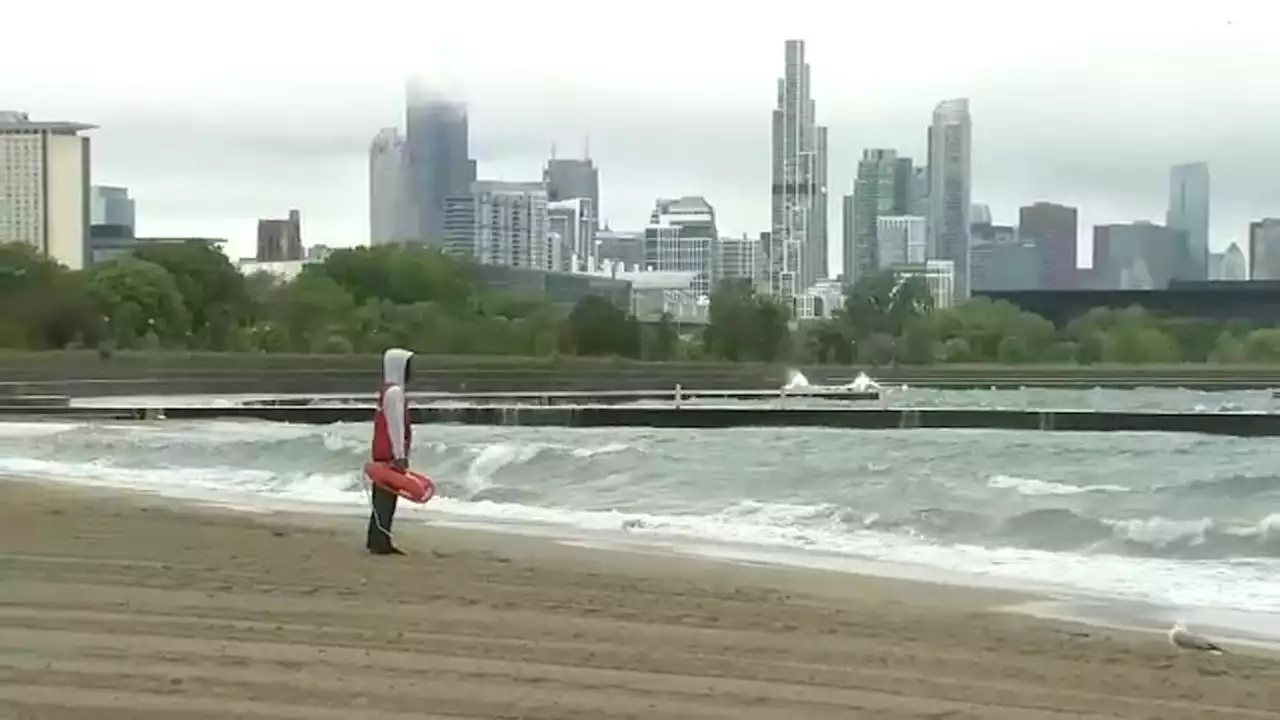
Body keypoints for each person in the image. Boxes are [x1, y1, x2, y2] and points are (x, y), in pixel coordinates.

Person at [366, 347, 414, 556]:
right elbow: (396, 426)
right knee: (387, 499)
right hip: (390, 455)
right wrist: (400, 455)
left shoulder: (386, 391)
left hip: (381, 452)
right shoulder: (395, 394)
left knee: (381, 498)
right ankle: (381, 541)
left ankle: (375, 538)